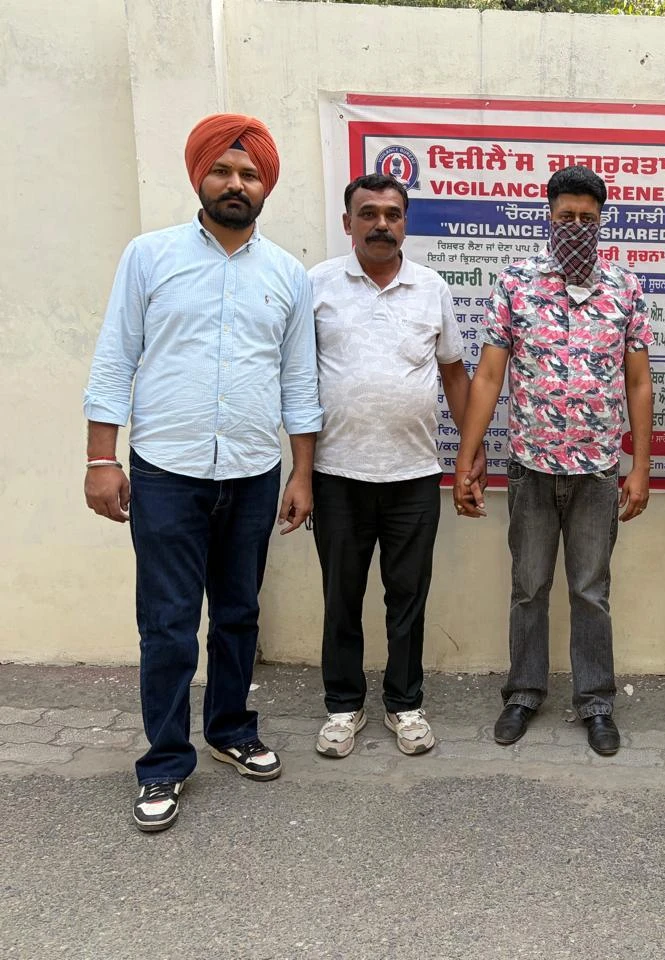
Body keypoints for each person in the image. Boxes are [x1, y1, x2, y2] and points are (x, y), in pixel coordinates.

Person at [83, 114, 323, 832]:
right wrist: (100, 459)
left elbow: (299, 382)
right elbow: (115, 359)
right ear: (200, 177)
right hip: (166, 471)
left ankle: (230, 729)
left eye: (249, 174)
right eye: (223, 170)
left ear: (265, 186)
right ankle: (163, 761)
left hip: (252, 471)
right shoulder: (149, 256)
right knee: (167, 624)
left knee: (239, 613)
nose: (235, 183)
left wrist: (302, 473)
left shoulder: (286, 275)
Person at [453, 165, 653, 756]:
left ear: (602, 221)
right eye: (566, 216)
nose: (577, 227)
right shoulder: (516, 283)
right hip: (530, 466)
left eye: (588, 218)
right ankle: (523, 693)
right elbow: (489, 376)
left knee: (590, 591)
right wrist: (466, 459)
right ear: (549, 216)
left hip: (597, 471)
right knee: (528, 587)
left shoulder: (625, 287)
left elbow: (639, 382)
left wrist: (640, 467)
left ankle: (596, 702)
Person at [309, 174, 472, 759]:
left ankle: (405, 703)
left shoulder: (431, 287)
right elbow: (297, 378)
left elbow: (453, 372)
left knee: (407, 598)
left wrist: (471, 453)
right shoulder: (317, 285)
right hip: (336, 474)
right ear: (348, 222)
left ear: (405, 222)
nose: (381, 224)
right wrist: (300, 471)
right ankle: (342, 706)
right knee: (341, 597)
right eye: (368, 213)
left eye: (392, 214)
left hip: (413, 475)